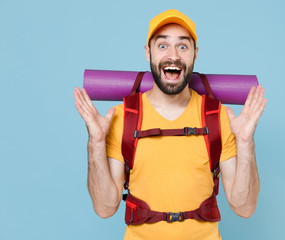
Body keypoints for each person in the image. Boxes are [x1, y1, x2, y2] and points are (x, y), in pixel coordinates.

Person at [74, 9, 266, 240]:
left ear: (195, 54)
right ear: (148, 53)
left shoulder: (219, 117)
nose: (173, 55)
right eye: (163, 46)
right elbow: (105, 208)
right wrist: (96, 142)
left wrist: (245, 142)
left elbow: (244, 208)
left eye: (183, 46)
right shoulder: (122, 117)